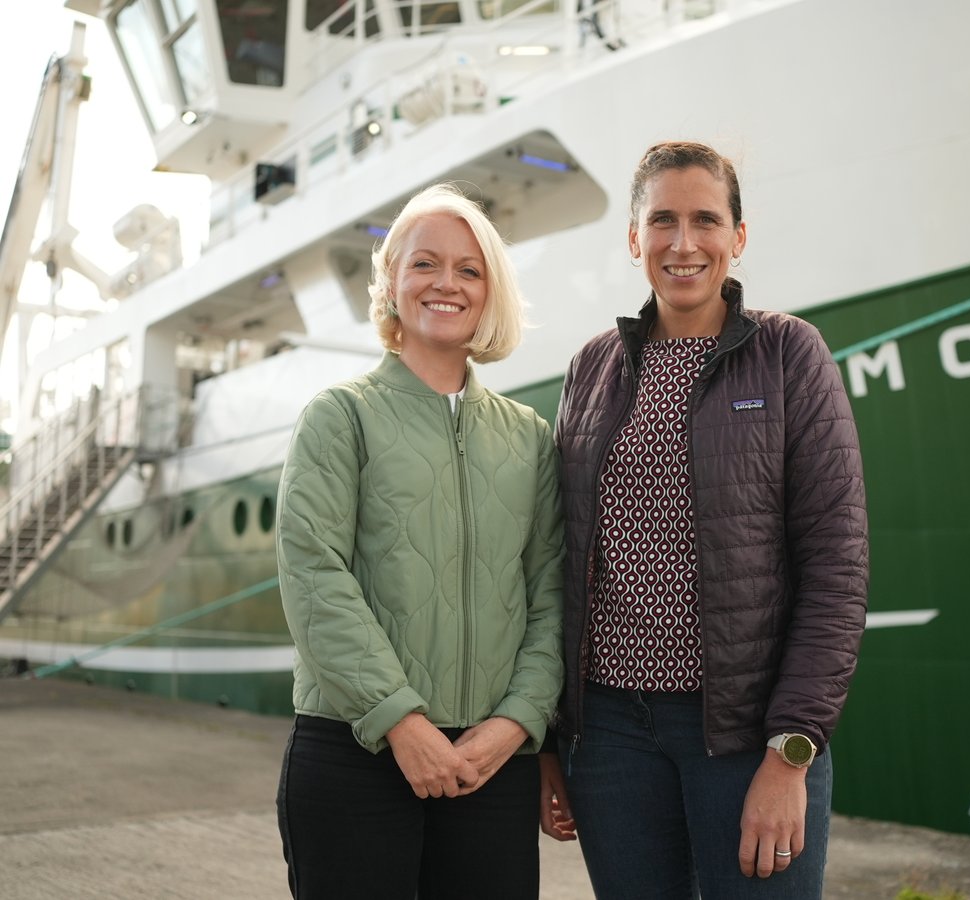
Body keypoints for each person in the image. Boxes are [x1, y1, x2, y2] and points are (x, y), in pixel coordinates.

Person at [539, 142, 868, 899]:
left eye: (705, 220)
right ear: (633, 239)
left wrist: (791, 754)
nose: (683, 244)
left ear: (737, 237)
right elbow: (561, 561)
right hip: (612, 737)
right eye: (662, 221)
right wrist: (554, 741)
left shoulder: (790, 353)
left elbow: (836, 566)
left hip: (745, 735)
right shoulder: (593, 367)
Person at [275, 183, 565, 899]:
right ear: (392, 285)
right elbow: (314, 575)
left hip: (490, 767)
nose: (447, 283)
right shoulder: (340, 418)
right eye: (426, 264)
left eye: (470, 270)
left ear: (491, 291)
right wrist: (401, 722)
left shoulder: (529, 437)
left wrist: (515, 724)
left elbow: (553, 593)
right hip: (355, 753)